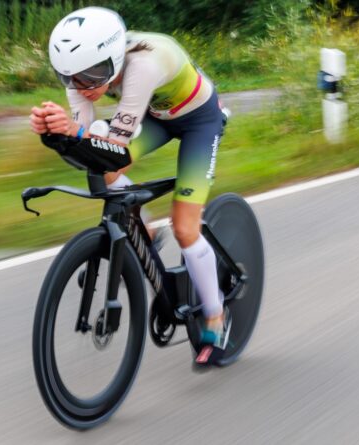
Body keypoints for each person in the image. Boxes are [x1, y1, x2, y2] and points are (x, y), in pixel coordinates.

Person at [29, 6, 229, 367]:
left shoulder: (144, 67)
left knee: (185, 228)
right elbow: (90, 148)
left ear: (116, 57)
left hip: (200, 120)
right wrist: (56, 131)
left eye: (93, 76)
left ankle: (215, 314)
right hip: (158, 118)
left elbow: (116, 151)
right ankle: (144, 228)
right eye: (69, 77)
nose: (82, 87)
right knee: (101, 163)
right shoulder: (81, 78)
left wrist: (74, 130)